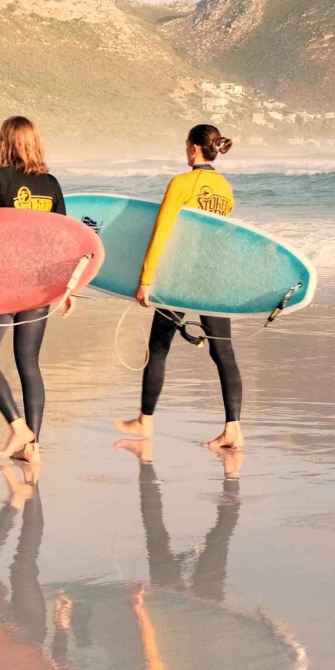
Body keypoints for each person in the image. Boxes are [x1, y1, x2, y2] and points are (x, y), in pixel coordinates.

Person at [115, 124, 244, 450]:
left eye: (187, 144)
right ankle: (233, 429)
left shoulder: (182, 182)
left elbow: (162, 231)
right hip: (214, 277)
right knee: (223, 352)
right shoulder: (225, 188)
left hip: (182, 277)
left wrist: (145, 279)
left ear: (194, 148)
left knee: (159, 347)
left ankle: (145, 420)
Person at [0, 116, 71, 463]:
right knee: (29, 362)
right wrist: (67, 288)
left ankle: (19, 428)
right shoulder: (51, 184)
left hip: (5, 283)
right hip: (39, 286)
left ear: (4, 143)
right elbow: (64, 242)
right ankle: (32, 447)